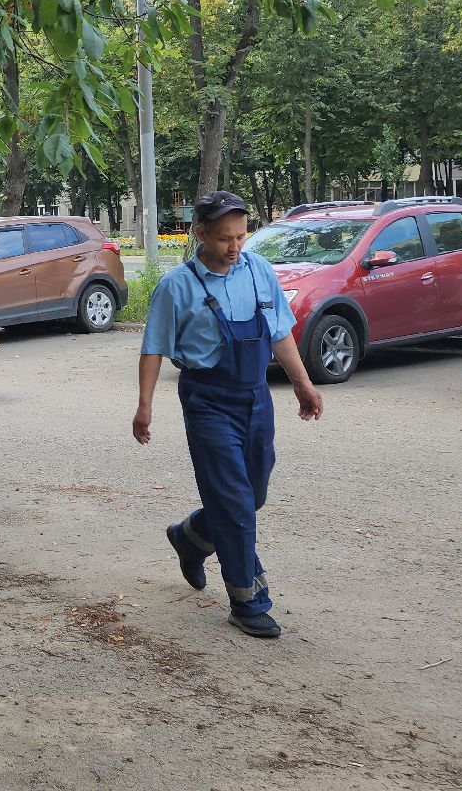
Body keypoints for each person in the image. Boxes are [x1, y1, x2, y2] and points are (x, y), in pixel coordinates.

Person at [131, 190, 323, 638]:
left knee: (252, 495)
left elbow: (279, 332)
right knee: (235, 503)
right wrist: (145, 407)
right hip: (208, 400)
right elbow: (153, 347)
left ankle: (191, 537)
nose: (235, 247)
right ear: (200, 234)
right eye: (224, 239)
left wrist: (302, 384)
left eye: (241, 236)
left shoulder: (258, 272)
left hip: (257, 398)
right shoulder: (177, 286)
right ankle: (247, 599)